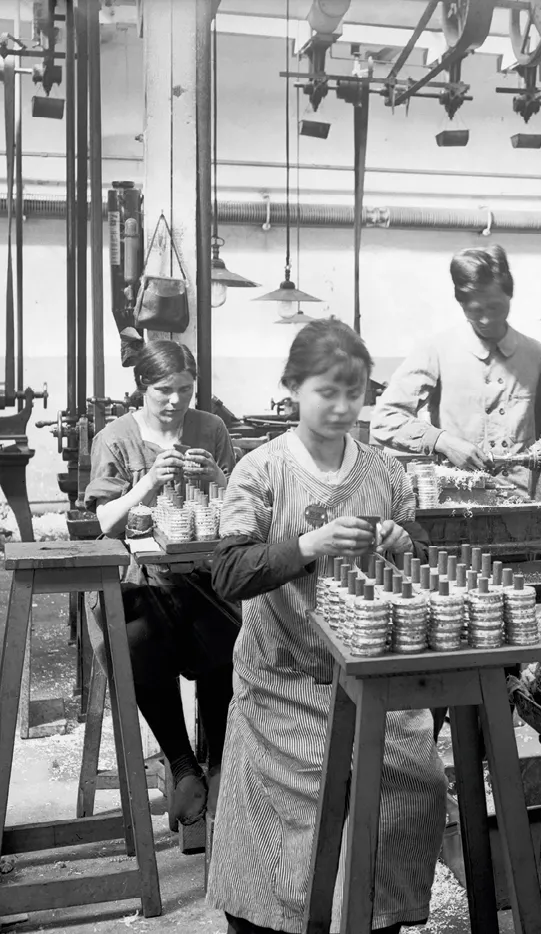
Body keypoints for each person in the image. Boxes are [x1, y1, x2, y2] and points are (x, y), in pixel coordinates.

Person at [206, 319, 444, 934]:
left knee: (406, 800)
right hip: (282, 691)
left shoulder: (385, 472)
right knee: (278, 850)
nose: (342, 407)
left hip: (371, 684)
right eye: (326, 392)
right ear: (292, 387)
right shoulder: (259, 472)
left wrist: (400, 539)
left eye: (356, 392)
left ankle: (376, 923)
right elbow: (229, 572)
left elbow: (417, 544)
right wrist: (308, 542)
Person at [85, 340, 240, 826]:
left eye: (186, 390)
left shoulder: (210, 429)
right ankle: (182, 762)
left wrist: (219, 476)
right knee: (132, 638)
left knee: (234, 633)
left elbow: (242, 511)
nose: (176, 401)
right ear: (141, 389)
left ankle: (219, 762)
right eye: (163, 391)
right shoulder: (115, 438)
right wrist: (148, 482)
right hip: (142, 583)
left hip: (204, 578)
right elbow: (106, 521)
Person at [371, 245, 541, 483]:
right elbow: (384, 418)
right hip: (460, 500)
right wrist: (441, 441)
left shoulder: (533, 354)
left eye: (495, 307)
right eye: (475, 310)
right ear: (461, 305)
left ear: (509, 295)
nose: (486, 319)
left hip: (525, 503)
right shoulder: (437, 349)